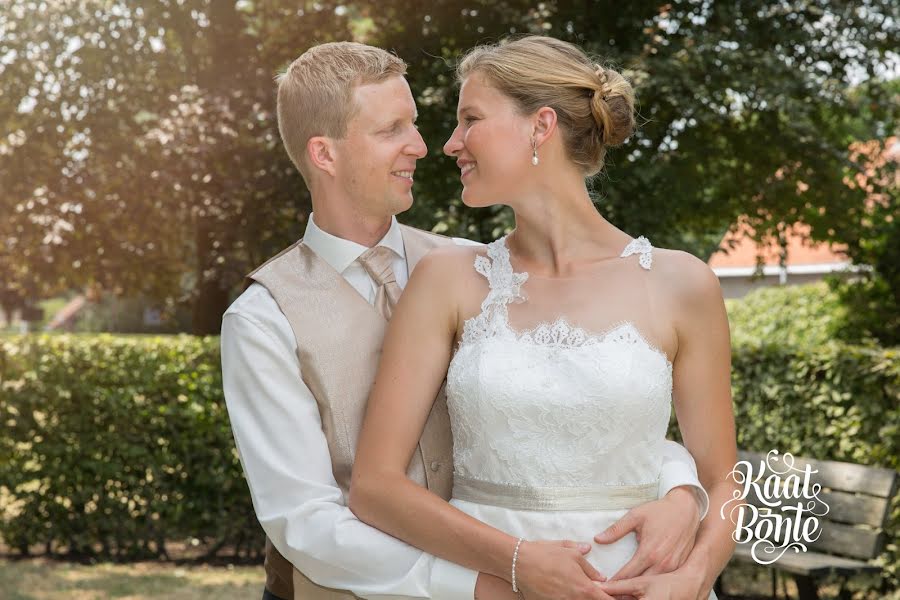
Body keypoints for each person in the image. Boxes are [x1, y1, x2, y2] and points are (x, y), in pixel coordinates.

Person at [222, 41, 710, 600]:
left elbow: (578, 407)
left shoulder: (478, 270)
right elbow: (306, 522)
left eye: (418, 123)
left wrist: (682, 493)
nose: (423, 146)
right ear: (325, 155)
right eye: (391, 130)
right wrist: (491, 584)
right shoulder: (262, 319)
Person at [349, 35, 739, 600]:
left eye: (470, 119)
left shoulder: (683, 284)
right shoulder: (446, 280)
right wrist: (516, 564)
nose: (451, 143)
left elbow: (724, 480)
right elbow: (375, 487)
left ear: (541, 126)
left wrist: (695, 576)